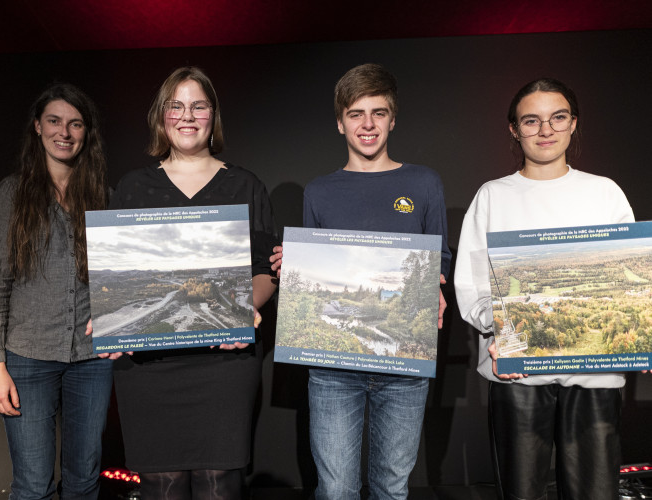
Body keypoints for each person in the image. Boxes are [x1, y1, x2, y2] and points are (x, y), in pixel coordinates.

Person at [271, 63, 451, 499]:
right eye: (356, 114)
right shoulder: (320, 190)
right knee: (335, 489)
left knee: (392, 486)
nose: (367, 124)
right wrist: (290, 264)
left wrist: (437, 288)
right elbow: (318, 265)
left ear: (393, 119)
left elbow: (439, 256)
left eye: (378, 112)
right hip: (332, 370)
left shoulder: (424, 182)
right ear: (340, 122)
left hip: (404, 365)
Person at [454, 78, 636, 499]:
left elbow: (633, 279)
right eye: (531, 121)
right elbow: (472, 283)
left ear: (573, 124)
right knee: (522, 492)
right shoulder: (493, 196)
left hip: (596, 375)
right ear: (514, 130)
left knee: (594, 492)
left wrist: (639, 332)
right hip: (518, 371)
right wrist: (499, 328)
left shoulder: (603, 192)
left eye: (557, 118)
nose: (545, 130)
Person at [108, 66, 278, 499]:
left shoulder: (246, 185)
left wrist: (242, 314)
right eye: (176, 106)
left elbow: (265, 271)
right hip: (150, 368)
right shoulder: (132, 188)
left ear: (212, 115)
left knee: (219, 483)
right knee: (161, 485)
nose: (188, 116)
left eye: (198, 106)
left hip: (224, 365)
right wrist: (111, 320)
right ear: (162, 116)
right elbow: (116, 272)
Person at [0, 83, 118, 500]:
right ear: (38, 127)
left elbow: (122, 280)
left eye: (75, 124)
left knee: (84, 478)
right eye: (54, 121)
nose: (65, 132)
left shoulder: (104, 198)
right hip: (27, 357)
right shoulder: (12, 194)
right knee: (34, 483)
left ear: (87, 133)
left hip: (91, 358)